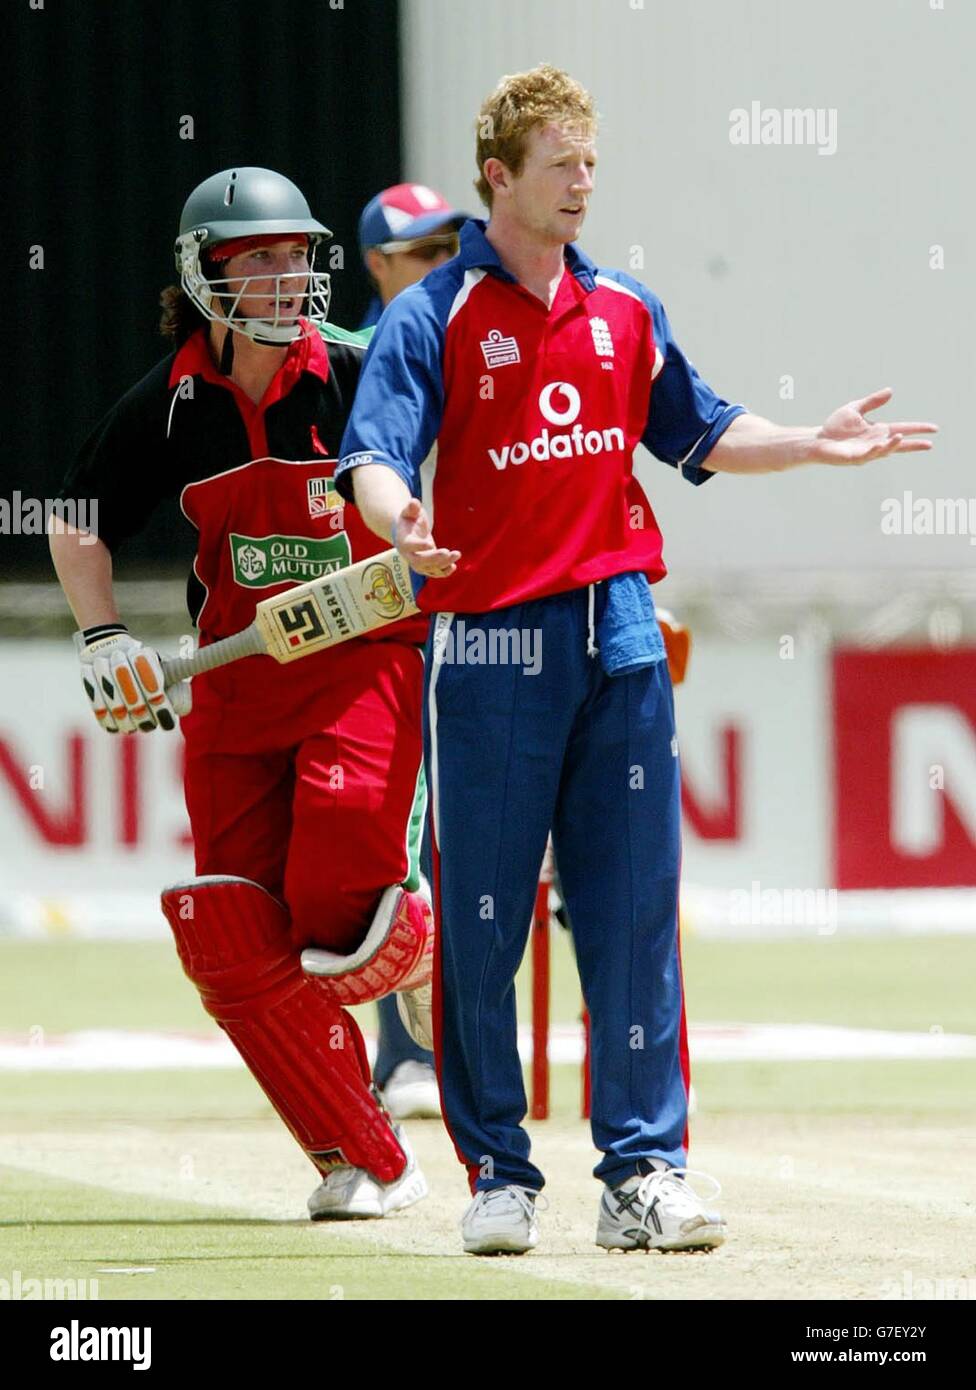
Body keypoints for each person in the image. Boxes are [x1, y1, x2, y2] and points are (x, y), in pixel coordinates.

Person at [334, 66, 937, 1256]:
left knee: (630, 916)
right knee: (483, 919)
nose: (583, 186)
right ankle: (497, 1172)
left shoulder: (624, 311)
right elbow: (375, 456)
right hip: (493, 640)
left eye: (590, 165)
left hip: (617, 628)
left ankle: (643, 1172)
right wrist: (398, 516)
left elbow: (704, 430)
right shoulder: (432, 315)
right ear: (497, 178)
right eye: (561, 166)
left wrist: (812, 441)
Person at [48, 166, 438, 1222]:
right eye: (255, 259)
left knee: (335, 884)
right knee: (231, 932)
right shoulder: (168, 402)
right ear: (203, 275)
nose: (284, 277)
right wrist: (103, 635)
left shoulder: (360, 369)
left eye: (295, 256)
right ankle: (355, 1154)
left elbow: (441, 455)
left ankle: (419, 943)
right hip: (233, 686)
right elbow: (75, 513)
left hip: (363, 661)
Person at [357, 182, 467, 1121]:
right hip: (371, 621)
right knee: (392, 831)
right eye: (416, 256)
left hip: (459, 614)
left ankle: (427, 1048)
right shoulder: (354, 355)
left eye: (446, 250)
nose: (437, 269)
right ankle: (399, 1053)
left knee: (442, 829)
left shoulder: (470, 335)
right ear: (375, 267)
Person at [358, 183, 467, 328]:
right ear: (378, 264)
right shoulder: (366, 349)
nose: (445, 261)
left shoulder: (483, 334)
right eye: (427, 248)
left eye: (450, 245)